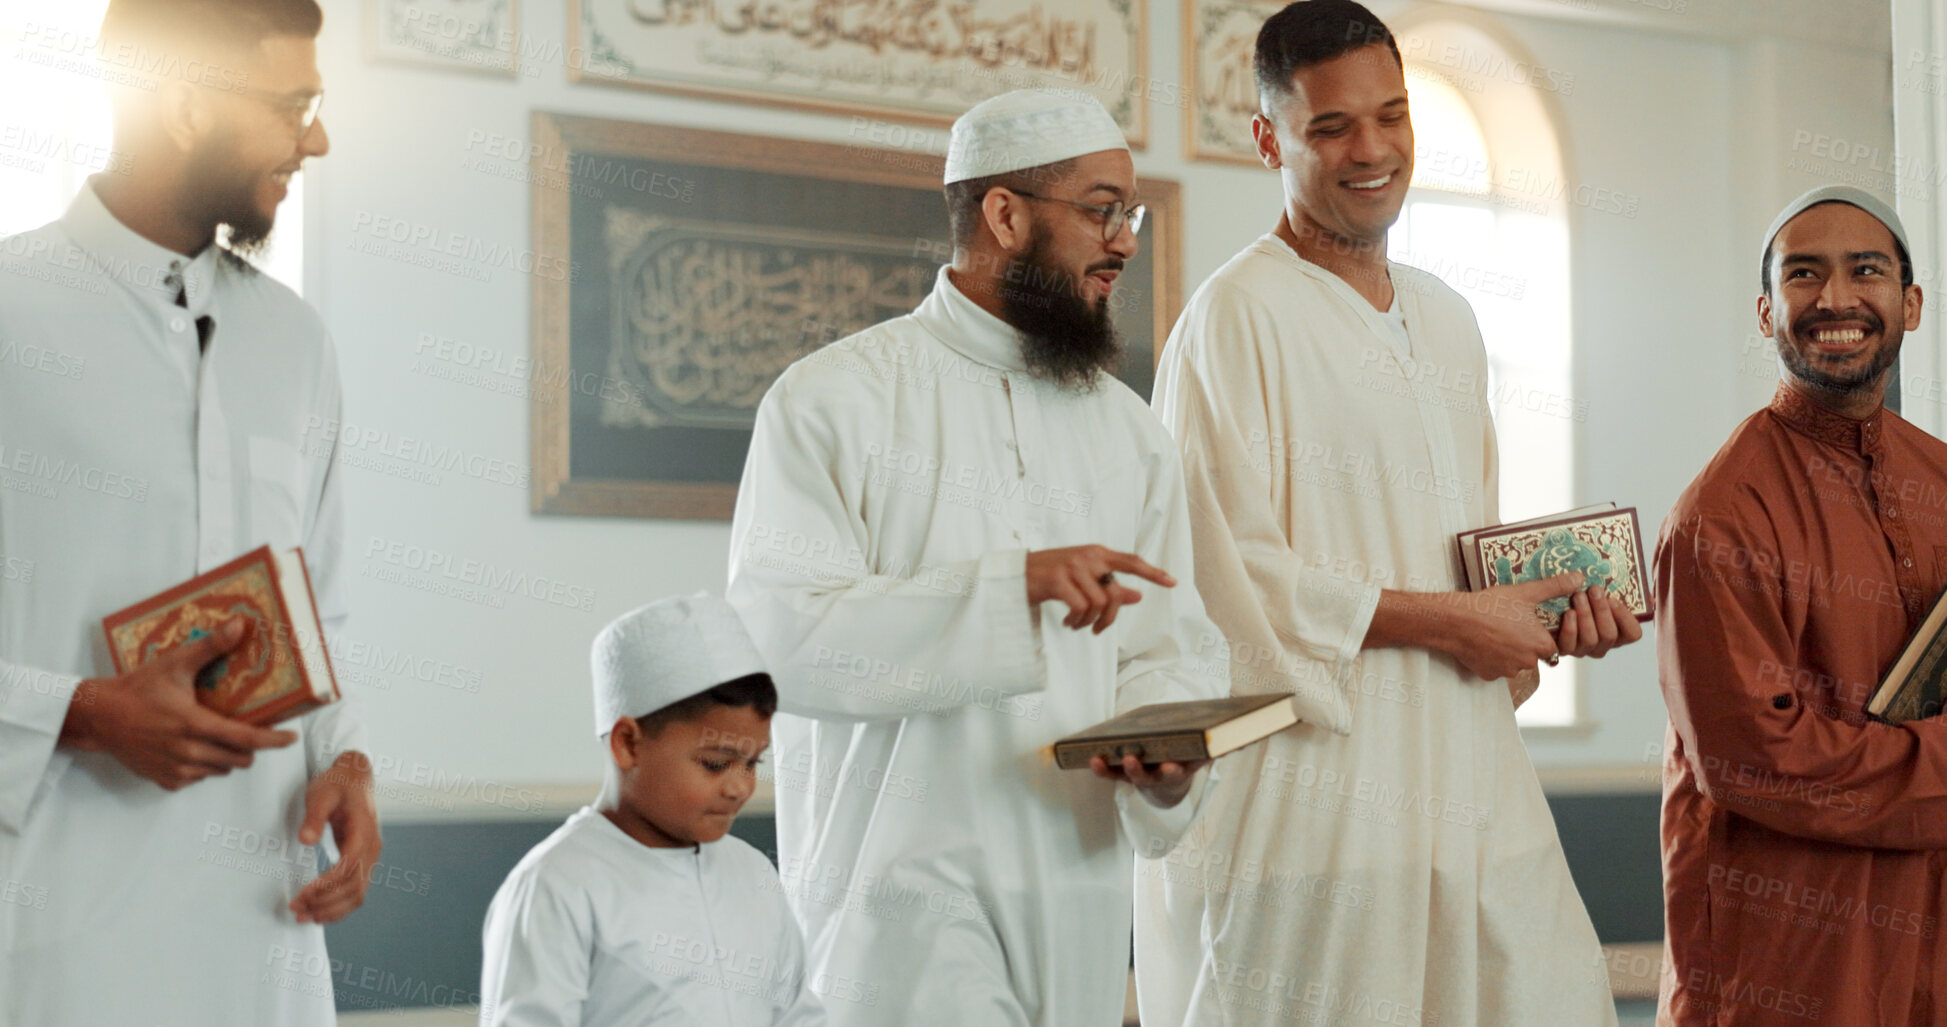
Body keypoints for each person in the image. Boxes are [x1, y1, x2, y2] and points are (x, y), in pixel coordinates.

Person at [1135, 3, 1640, 1024]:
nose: (1371, 150)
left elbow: (1470, 563)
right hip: (1311, 806)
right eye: (1331, 128)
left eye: (1392, 116)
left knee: (1547, 995)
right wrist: (1457, 622)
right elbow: (1224, 578)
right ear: (1269, 139)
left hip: (1469, 779)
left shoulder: (1448, 320)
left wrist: (1534, 625)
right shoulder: (1234, 320)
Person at [725, 88, 1228, 1026]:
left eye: (1130, 213)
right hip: (893, 895)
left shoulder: (1130, 432)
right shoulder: (833, 399)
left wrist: (1169, 762)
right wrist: (1012, 591)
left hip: (1072, 891)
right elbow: (776, 640)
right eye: (1099, 209)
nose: (1124, 240)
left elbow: (1170, 647)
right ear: (1004, 214)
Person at [0, 1, 378, 1024]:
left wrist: (347, 763)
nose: (316, 138)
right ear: (180, 105)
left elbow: (326, 608)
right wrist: (78, 713)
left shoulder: (295, 341)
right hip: (50, 925)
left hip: (263, 917)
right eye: (293, 103)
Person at [1655, 186, 1945, 1025]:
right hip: (1787, 955)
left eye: (1865, 271)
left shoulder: (1939, 478)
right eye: (1803, 275)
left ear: (1909, 303)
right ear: (1765, 311)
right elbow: (1756, 759)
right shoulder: (1721, 512)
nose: (1835, 299)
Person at [479, 595, 822, 1026]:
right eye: (715, 763)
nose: (740, 786)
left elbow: (797, 1016)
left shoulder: (752, 873)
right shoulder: (556, 887)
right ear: (628, 743)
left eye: (753, 763)